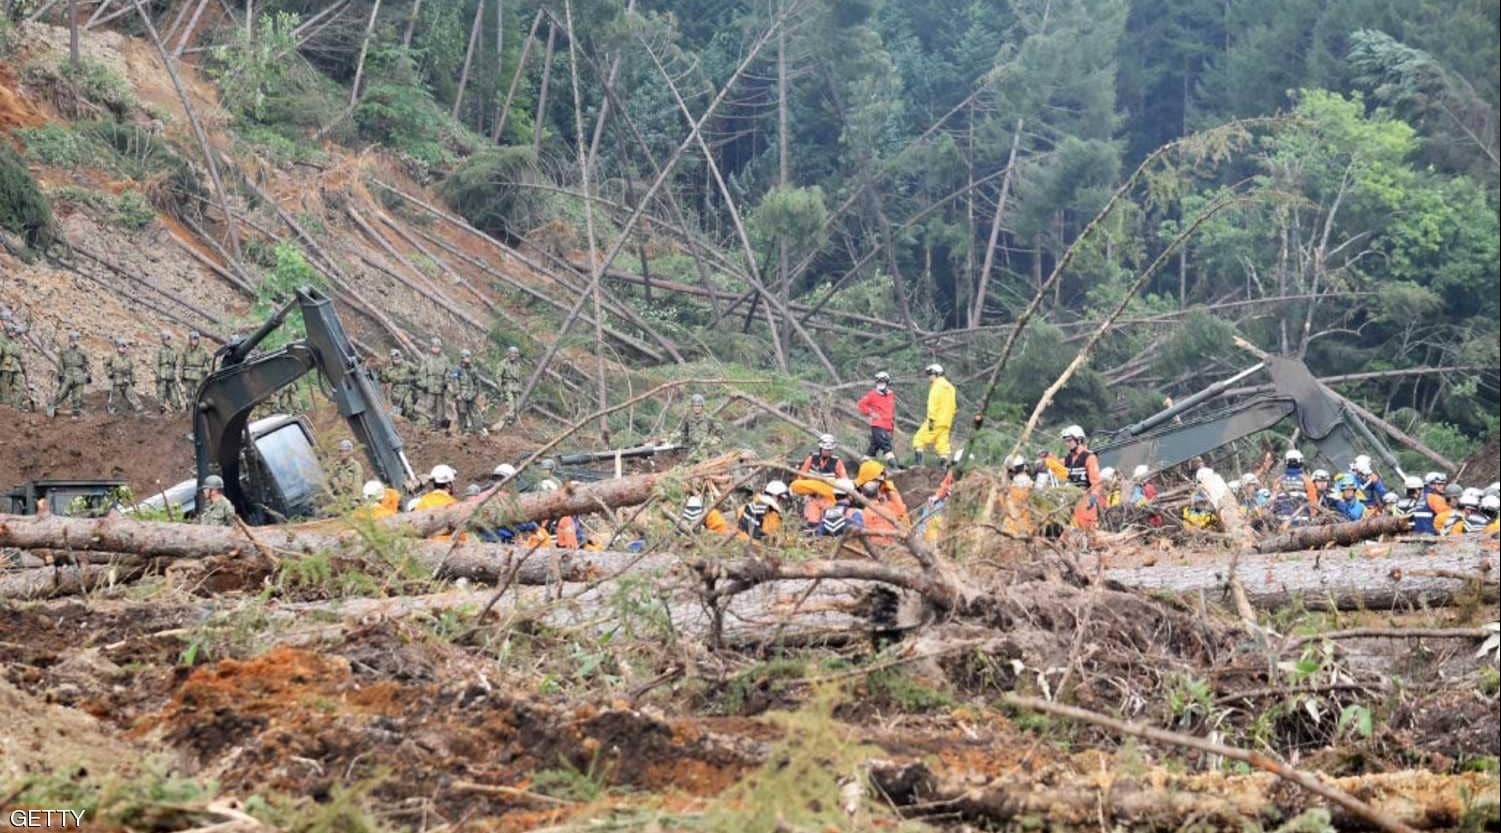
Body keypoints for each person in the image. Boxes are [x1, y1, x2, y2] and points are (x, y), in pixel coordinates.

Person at [1042, 425, 1102, 530]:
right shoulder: (1070, 458)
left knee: (1086, 529)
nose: (1067, 444)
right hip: (1070, 498)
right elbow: (1058, 465)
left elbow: (1096, 480)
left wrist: (1094, 495)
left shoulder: (1089, 457)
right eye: (1066, 441)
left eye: (1069, 441)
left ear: (1079, 440)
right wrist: (1048, 457)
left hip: (1085, 498)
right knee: (1068, 529)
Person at [910, 364, 956, 466]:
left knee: (919, 439)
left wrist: (931, 420)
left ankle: (918, 465)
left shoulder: (936, 386)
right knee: (942, 445)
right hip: (946, 422)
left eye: (930, 374)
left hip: (935, 421)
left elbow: (932, 405)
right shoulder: (951, 387)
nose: (929, 377)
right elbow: (953, 406)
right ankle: (943, 468)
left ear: (936, 374)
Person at [856, 372, 897, 464]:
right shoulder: (872, 394)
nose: (880, 384)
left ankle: (862, 465)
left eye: (882, 382)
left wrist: (892, 426)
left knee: (872, 449)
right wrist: (870, 412)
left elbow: (890, 410)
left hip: (887, 426)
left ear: (887, 383)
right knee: (887, 447)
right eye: (878, 382)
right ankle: (895, 468)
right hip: (877, 425)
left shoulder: (891, 394)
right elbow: (861, 404)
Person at [48, 332, 91, 418]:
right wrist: (60, 375)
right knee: (61, 393)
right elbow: (60, 363)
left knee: (77, 396)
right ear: (70, 340)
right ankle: (52, 407)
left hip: (79, 375)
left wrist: (88, 375)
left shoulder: (82, 351)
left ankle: (76, 412)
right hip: (67, 374)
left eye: (77, 340)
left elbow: (87, 363)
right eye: (74, 340)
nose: (75, 342)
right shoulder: (64, 350)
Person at [1270, 449, 1318, 527]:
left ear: (1286, 462)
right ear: (1300, 462)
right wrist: (1312, 518)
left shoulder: (1278, 480)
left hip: (1281, 521)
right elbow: (1313, 503)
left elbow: (1273, 504)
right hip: (1302, 523)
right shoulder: (1307, 480)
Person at [674, 394, 722, 463]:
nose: (697, 408)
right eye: (695, 406)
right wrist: (685, 442)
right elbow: (684, 431)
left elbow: (719, 430)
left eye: (699, 406)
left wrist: (713, 441)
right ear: (692, 407)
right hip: (692, 449)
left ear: (702, 406)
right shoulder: (688, 418)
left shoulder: (708, 418)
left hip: (704, 449)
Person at [416, 338, 451, 429]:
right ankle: (429, 424)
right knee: (429, 406)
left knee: (440, 407)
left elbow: (448, 371)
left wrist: (446, 382)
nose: (436, 349)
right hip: (430, 385)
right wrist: (424, 384)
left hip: (440, 385)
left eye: (438, 347)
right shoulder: (427, 358)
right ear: (431, 347)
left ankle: (439, 425)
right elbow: (422, 372)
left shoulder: (445, 359)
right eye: (434, 347)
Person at [178, 331, 211, 411]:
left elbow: (210, 361)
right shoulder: (185, 350)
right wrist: (181, 374)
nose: (195, 341)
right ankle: (189, 409)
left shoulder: (203, 350)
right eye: (193, 339)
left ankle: (197, 410)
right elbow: (181, 363)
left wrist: (205, 369)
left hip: (199, 375)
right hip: (188, 375)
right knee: (188, 393)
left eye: (196, 339)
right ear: (190, 340)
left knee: (198, 393)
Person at [453, 349, 482, 435]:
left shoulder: (473, 369)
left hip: (471, 394)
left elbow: (477, 382)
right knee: (462, 413)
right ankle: (464, 430)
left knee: (474, 412)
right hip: (462, 394)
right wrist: (457, 393)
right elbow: (455, 382)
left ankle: (478, 429)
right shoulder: (457, 369)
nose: (468, 359)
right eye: (466, 357)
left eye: (469, 357)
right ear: (462, 358)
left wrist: (477, 393)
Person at [381, 349, 417, 418]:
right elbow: (383, 379)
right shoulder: (389, 370)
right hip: (396, 392)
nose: (397, 360)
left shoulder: (408, 365)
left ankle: (410, 420)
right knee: (397, 411)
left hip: (408, 390)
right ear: (392, 359)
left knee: (409, 409)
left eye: (398, 358)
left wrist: (413, 379)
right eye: (395, 359)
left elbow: (417, 372)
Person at [496, 345, 524, 426]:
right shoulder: (503, 364)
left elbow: (519, 377)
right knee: (511, 405)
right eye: (512, 354)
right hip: (507, 386)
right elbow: (498, 376)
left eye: (515, 354)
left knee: (518, 406)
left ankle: (510, 421)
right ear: (508, 354)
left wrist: (520, 387)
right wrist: (500, 387)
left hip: (516, 387)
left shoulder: (517, 365)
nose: (513, 356)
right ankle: (504, 420)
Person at [0, 319, 25, 408]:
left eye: (14, 332)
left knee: (20, 386)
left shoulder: (15, 343)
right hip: (6, 366)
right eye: (11, 331)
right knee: (4, 387)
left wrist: (23, 368)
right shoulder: (2, 340)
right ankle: (5, 405)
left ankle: (16, 405)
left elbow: (20, 357)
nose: (13, 333)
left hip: (16, 366)